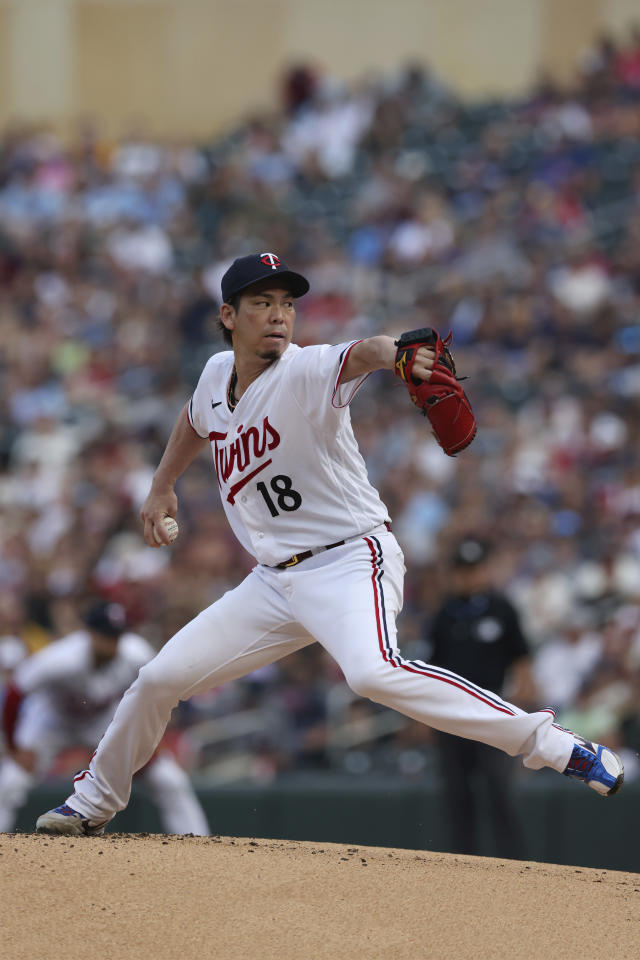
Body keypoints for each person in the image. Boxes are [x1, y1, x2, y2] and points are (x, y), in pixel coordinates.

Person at [35, 252, 623, 837]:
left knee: (371, 675)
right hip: (273, 583)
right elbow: (195, 420)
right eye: (262, 303)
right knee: (157, 680)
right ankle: (91, 803)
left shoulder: (305, 370)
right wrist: (162, 485)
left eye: (287, 304)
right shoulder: (217, 375)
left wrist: (398, 355)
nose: (278, 316)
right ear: (228, 314)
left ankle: (552, 743)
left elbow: (362, 353)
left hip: (349, 561)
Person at [0, 600, 208, 835]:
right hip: (52, 723)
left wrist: (151, 742)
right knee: (10, 780)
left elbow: (157, 697)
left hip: (102, 723)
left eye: (115, 636)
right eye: (104, 635)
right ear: (89, 633)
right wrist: (14, 747)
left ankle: (199, 842)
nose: (111, 644)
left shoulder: (134, 652)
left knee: (169, 780)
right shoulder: (61, 658)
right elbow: (15, 692)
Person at [427, 537, 537, 859]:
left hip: (493, 714)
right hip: (452, 716)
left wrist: (521, 700)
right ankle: (463, 865)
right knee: (458, 795)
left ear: (485, 569)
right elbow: (429, 668)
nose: (468, 576)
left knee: (499, 791)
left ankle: (515, 864)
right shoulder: (444, 614)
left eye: (473, 569)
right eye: (463, 570)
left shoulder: (502, 609)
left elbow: (522, 659)